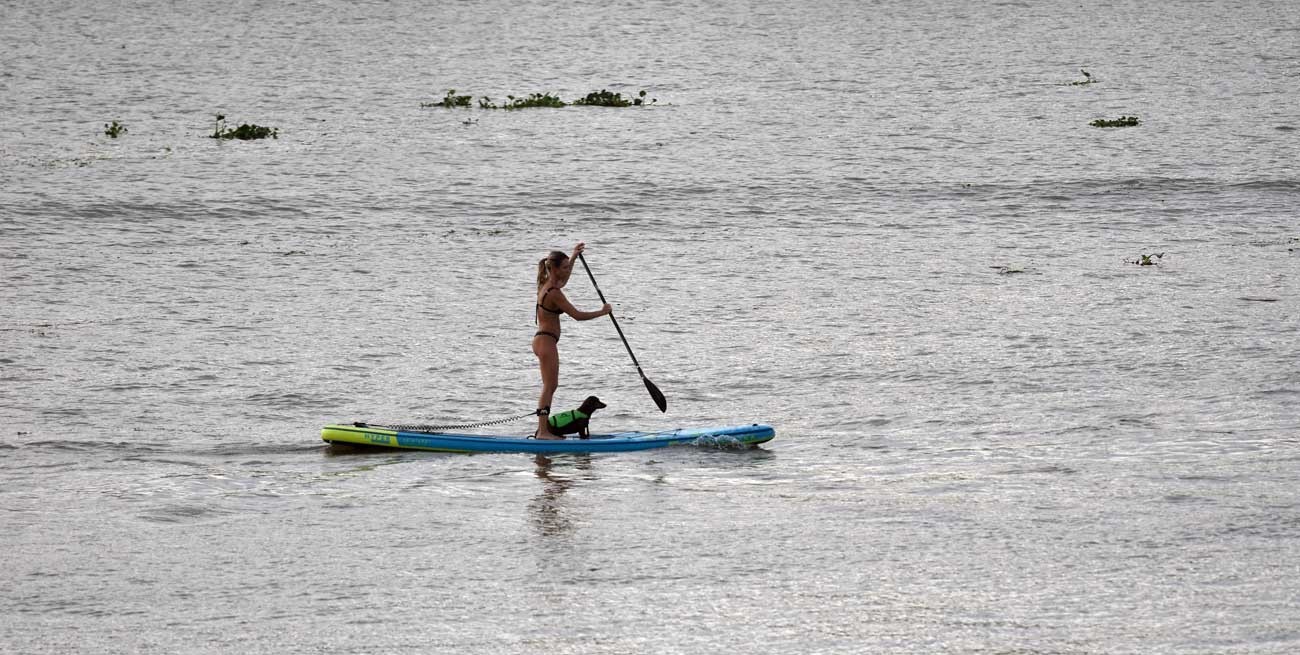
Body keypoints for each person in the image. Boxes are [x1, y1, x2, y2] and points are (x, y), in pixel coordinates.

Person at [532, 242, 611, 439]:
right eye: (565, 267)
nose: (568, 271)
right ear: (555, 269)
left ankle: (543, 430)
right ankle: (542, 432)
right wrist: (602, 312)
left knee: (551, 386)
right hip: (546, 342)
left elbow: (563, 279)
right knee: (549, 387)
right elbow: (577, 315)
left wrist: (574, 256)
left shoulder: (547, 283)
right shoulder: (555, 293)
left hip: (544, 341)